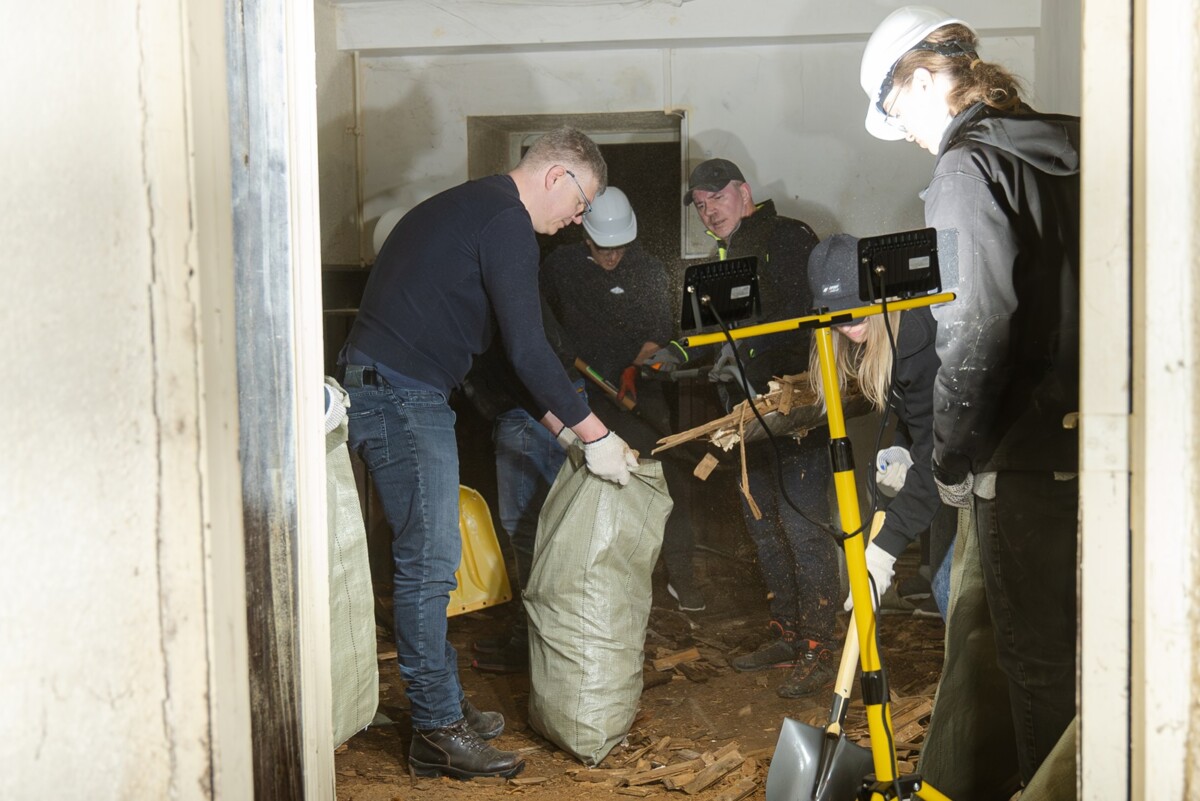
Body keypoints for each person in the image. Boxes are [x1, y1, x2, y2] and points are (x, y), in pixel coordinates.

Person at [339, 127, 638, 780]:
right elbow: (530, 349)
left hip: (394, 387)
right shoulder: (507, 222)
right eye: (581, 202)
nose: (578, 219)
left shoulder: (476, 208)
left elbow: (503, 358)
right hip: (401, 393)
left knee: (431, 558)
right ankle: (437, 729)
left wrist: (563, 429)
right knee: (430, 563)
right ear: (557, 176)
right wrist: (596, 434)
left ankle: (443, 707)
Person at [860, 6, 1080, 785]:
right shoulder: (1063, 143)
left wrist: (950, 460)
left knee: (1034, 658)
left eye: (897, 112)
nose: (904, 133)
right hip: (1094, 437)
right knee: (1082, 647)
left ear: (926, 80)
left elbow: (977, 328)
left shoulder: (963, 169)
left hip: (1019, 454)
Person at [683, 158, 838, 699]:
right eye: (700, 205)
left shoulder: (785, 236)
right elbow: (709, 328)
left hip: (793, 408)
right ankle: (790, 634)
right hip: (750, 415)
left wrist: (752, 354)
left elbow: (800, 315)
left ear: (744, 192)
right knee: (765, 524)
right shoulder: (719, 258)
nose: (709, 212)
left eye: (717, 198)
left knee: (802, 524)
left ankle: (822, 645)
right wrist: (685, 351)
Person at [541, 187, 705, 611]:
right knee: (596, 489)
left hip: (639, 392)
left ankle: (681, 577)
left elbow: (657, 331)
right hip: (582, 398)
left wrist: (636, 367)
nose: (612, 256)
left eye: (620, 247)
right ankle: (602, 587)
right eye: (603, 248)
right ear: (586, 238)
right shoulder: (559, 268)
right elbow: (543, 326)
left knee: (663, 481)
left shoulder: (649, 269)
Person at [804, 234, 948, 616]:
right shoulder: (885, 338)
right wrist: (903, 446)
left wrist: (884, 551)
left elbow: (941, 454)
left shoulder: (916, 337)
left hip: (992, 466)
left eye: (856, 309)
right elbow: (921, 417)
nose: (849, 325)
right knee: (949, 589)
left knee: (955, 590)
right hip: (955, 466)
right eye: (837, 316)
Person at [460, 299, 585, 673]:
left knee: (528, 530)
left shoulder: (483, 287)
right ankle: (540, 634)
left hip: (529, 411)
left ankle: (533, 643)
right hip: (550, 402)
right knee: (547, 528)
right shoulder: (506, 280)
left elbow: (521, 356)